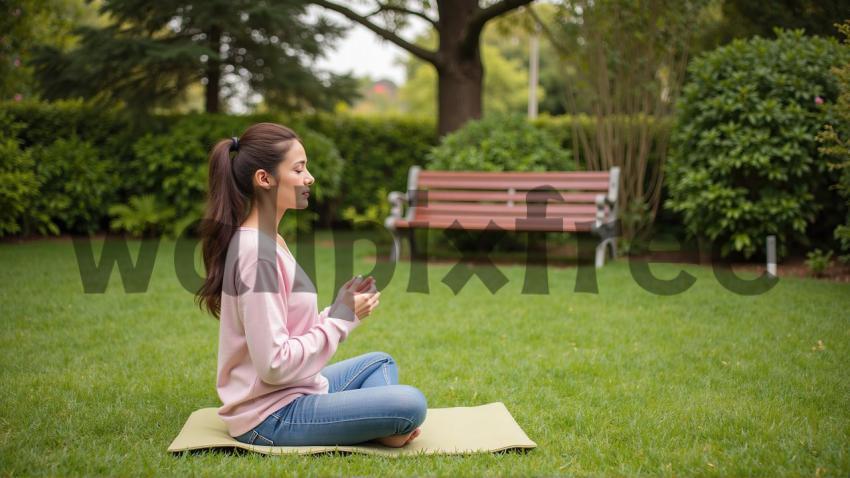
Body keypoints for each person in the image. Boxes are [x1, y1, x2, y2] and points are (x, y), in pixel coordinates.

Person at [194, 122, 426, 447]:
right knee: (410, 404)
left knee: (380, 362)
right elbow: (274, 365)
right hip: (271, 415)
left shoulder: (270, 241)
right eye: (299, 169)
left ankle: (380, 425)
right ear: (265, 179)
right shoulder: (257, 254)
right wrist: (342, 319)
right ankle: (384, 426)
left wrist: (338, 308)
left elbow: (289, 332)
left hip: (293, 390)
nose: (309, 178)